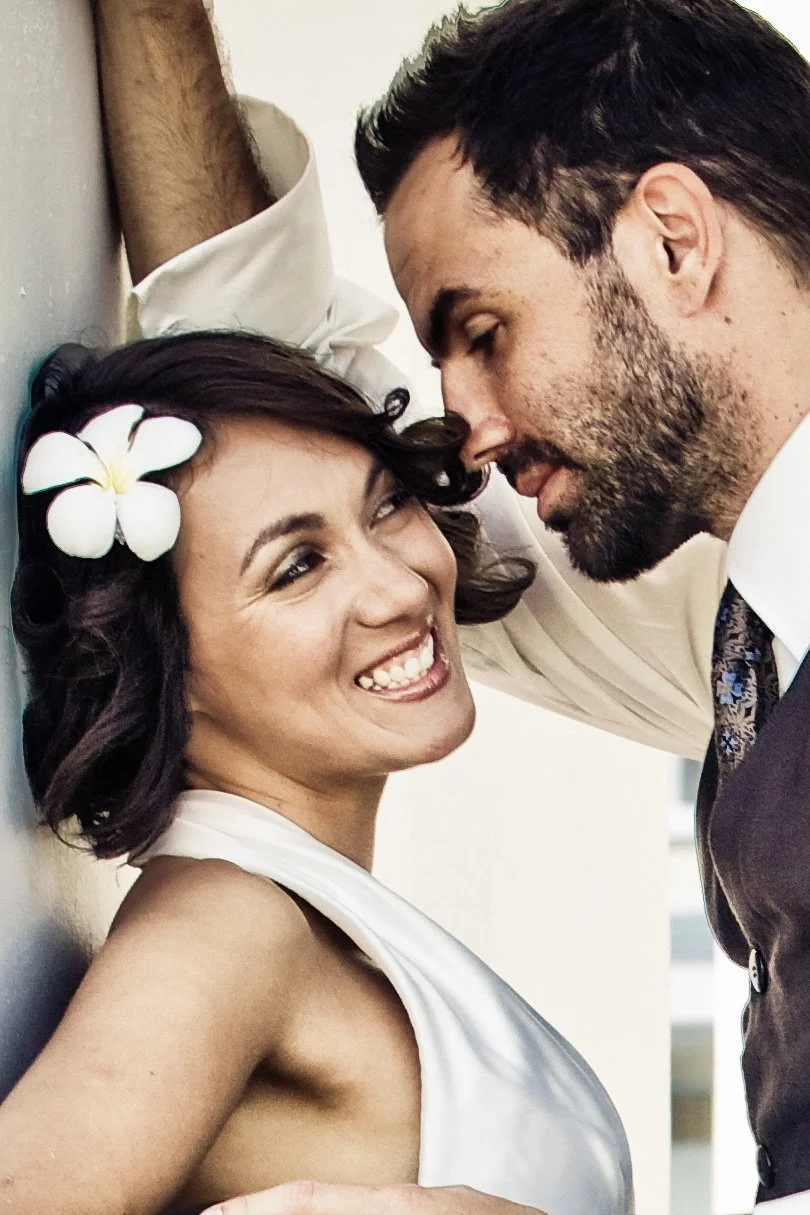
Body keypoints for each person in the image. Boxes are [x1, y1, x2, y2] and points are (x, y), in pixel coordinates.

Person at [90, 0, 810, 1211]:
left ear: (675, 243)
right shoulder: (738, 619)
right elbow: (282, 416)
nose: (462, 427)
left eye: (484, 331)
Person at [0, 329, 632, 1214]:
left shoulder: (308, 913)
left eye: (385, 507)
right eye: (297, 566)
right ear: (161, 663)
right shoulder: (223, 926)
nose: (402, 588)